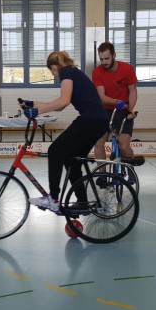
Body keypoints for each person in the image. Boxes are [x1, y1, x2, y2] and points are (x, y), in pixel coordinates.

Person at [19, 51, 108, 213]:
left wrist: (37, 111)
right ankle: (82, 202)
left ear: (55, 67)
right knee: (71, 161)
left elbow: (63, 101)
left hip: (91, 120)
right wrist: (32, 104)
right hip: (98, 121)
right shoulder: (73, 72)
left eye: (51, 71)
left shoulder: (66, 72)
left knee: (55, 151)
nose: (53, 75)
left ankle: (53, 199)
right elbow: (59, 106)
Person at [92, 42, 138, 166]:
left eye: (107, 58)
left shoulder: (127, 69)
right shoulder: (97, 72)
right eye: (101, 59)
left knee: (123, 145)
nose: (104, 62)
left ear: (114, 55)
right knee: (98, 144)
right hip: (105, 110)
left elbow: (133, 91)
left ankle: (130, 169)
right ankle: (102, 174)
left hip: (123, 110)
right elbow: (101, 97)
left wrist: (131, 109)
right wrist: (117, 102)